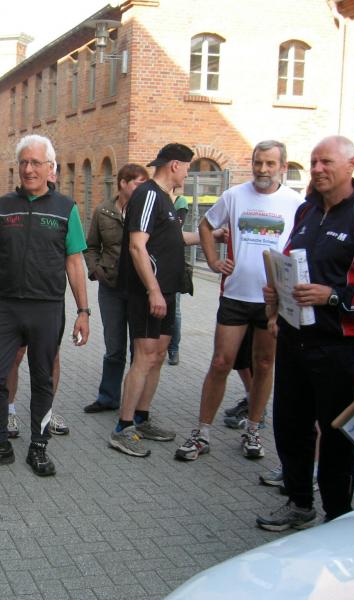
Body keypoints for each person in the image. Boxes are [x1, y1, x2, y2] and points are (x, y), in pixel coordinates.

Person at [257, 136, 354, 531]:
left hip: (339, 346)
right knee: (290, 426)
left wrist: (332, 297)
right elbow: (291, 265)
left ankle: (337, 517)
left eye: (326, 162)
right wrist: (277, 294)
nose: (316, 169)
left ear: (351, 165)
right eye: (313, 162)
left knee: (336, 436)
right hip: (294, 338)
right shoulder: (307, 210)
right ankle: (299, 503)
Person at [0, 134, 89, 477]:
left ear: (51, 168)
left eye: (36, 163)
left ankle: (39, 446)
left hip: (47, 308)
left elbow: (74, 262)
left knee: (42, 379)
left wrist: (83, 311)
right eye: (23, 162)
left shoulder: (66, 208)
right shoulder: (5, 205)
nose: (29, 169)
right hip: (7, 307)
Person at [175, 140, 303, 462]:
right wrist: (213, 261)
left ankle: (253, 430)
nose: (262, 169)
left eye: (270, 164)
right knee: (221, 362)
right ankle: (202, 432)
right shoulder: (234, 196)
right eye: (258, 162)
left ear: (282, 167)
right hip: (235, 294)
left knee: (264, 364)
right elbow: (206, 225)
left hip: (272, 300)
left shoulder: (296, 203)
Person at [109, 143, 200, 458]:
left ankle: (142, 418)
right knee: (144, 356)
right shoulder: (148, 194)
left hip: (168, 291)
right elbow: (137, 246)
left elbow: (173, 238)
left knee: (158, 355)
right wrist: (153, 290)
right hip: (149, 293)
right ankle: (123, 428)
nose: (187, 174)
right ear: (175, 165)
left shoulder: (166, 199)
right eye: (187, 168)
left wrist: (210, 237)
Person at [83, 164, 147, 412]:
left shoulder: (146, 212)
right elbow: (90, 246)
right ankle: (108, 397)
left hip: (139, 288)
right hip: (110, 287)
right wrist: (96, 270)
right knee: (114, 347)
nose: (142, 189)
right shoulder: (103, 211)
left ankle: (135, 401)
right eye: (138, 183)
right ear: (122, 183)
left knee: (138, 348)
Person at [167, 193, 190, 365]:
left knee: (175, 310)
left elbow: (175, 227)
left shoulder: (180, 201)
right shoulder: (153, 197)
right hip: (154, 262)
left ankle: (173, 349)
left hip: (173, 261)